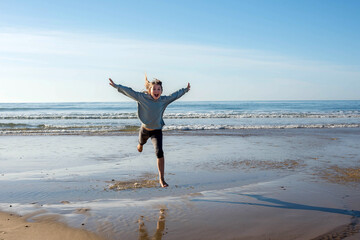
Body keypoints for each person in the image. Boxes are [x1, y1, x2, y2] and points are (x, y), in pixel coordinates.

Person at [109, 74, 190, 187]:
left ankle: (161, 179)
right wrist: (116, 86)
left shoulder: (163, 100)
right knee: (141, 143)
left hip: (157, 131)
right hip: (144, 129)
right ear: (149, 90)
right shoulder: (142, 97)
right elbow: (129, 91)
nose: (156, 91)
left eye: (158, 89)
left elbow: (175, 95)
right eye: (154, 89)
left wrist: (185, 90)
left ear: (161, 91)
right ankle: (140, 144)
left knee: (159, 152)